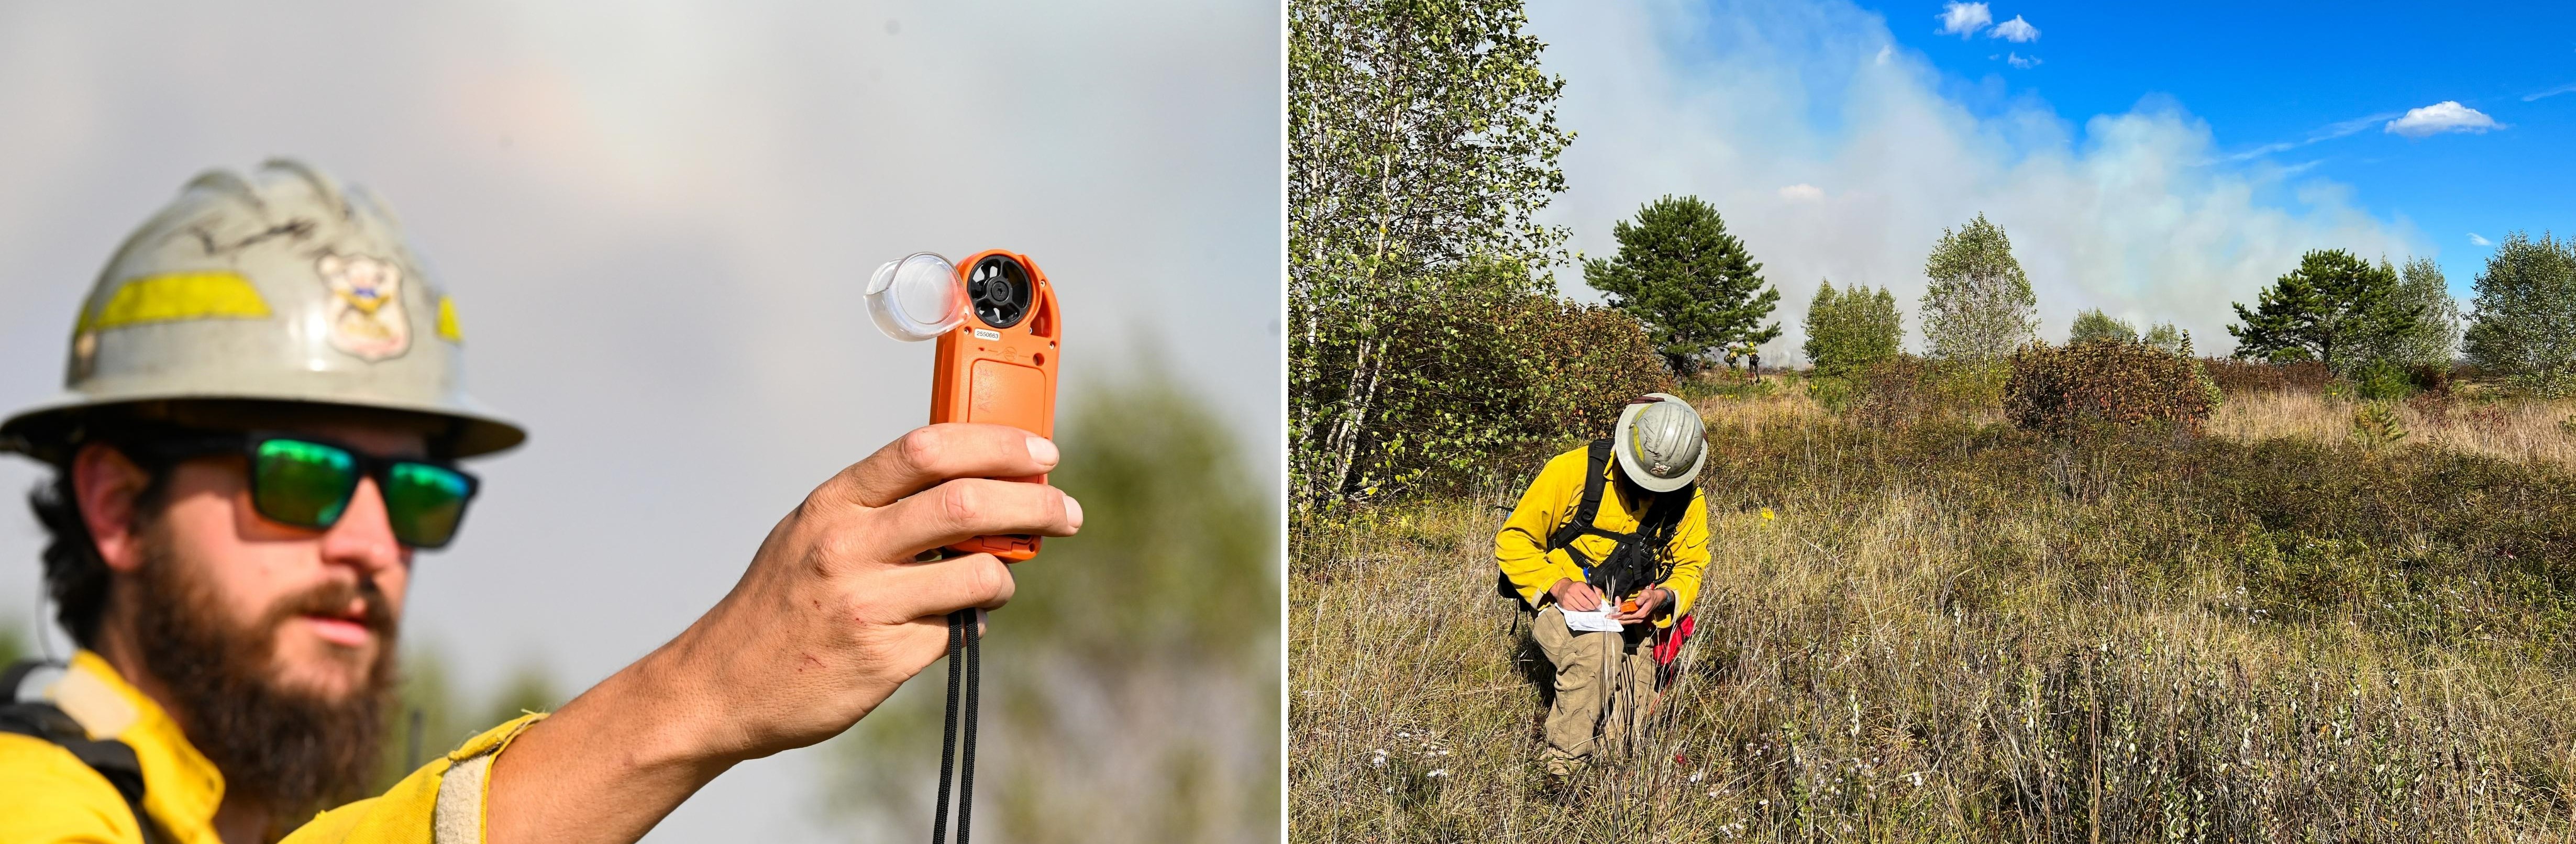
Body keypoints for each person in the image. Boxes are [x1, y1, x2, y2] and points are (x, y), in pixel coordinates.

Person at [0, 160, 1082, 844]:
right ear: (113, 501)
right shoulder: (30, 801)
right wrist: (704, 690)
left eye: (417, 491)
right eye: (301, 475)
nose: (372, 542)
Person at [1494, 393, 1710, 779]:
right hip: (1561, 612)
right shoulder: (1572, 471)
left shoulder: (1688, 498)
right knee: (1599, 649)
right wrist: (1556, 585)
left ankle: (1607, 776)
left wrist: (1663, 595)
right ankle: (1562, 768)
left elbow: (1691, 564)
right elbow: (1513, 540)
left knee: (1624, 730)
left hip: (1632, 620)